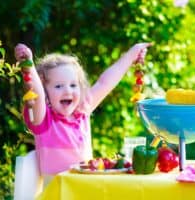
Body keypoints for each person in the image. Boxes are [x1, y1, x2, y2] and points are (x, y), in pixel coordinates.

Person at [14, 42, 151, 181]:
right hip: (59, 193)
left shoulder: (82, 112)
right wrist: (28, 66)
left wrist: (131, 55)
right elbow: (37, 95)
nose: (68, 91)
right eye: (58, 86)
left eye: (73, 85)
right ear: (45, 91)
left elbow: (105, 82)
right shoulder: (44, 120)